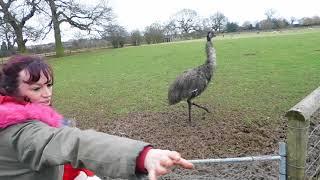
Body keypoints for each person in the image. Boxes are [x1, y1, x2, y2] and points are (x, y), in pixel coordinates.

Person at [0, 55, 194, 180]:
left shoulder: (21, 115)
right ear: (11, 90)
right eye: (36, 88)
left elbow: (50, 155)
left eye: (49, 85)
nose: (47, 94)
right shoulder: (22, 131)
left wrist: (80, 175)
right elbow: (72, 142)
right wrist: (141, 156)